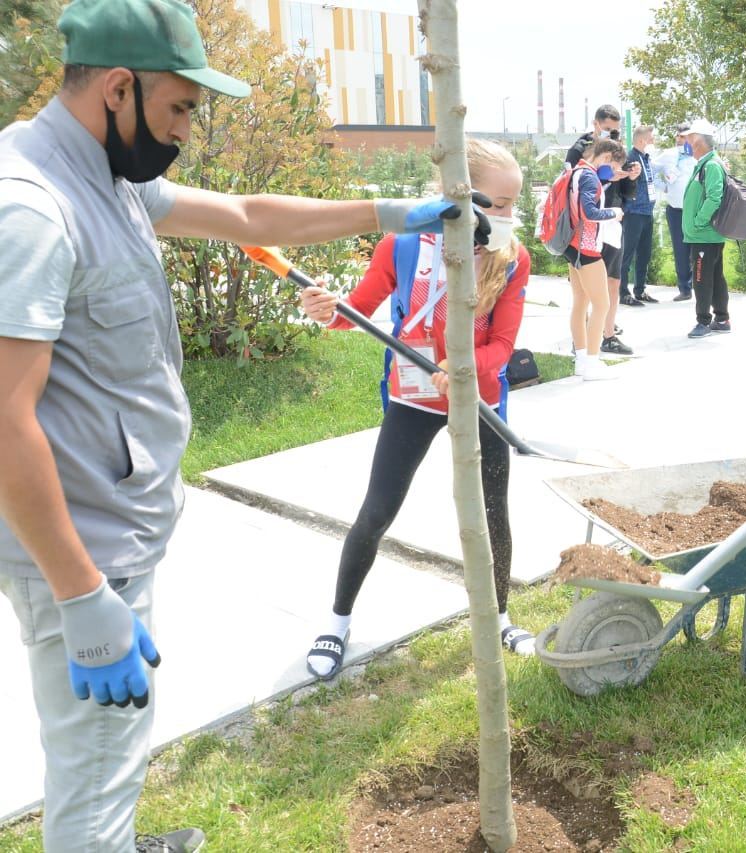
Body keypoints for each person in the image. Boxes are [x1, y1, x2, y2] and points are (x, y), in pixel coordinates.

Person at [0, 1, 490, 850]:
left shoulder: (105, 174)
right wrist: (82, 598)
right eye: (180, 108)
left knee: (108, 751)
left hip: (110, 530)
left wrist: (387, 212)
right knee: (95, 769)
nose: (187, 130)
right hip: (84, 555)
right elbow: (4, 420)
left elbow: (247, 218)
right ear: (119, 88)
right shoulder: (36, 208)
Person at [298, 139, 533, 682]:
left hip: (480, 400)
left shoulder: (511, 257)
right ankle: (337, 623)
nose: (505, 216)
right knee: (377, 510)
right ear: (457, 193)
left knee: (493, 510)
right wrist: (326, 309)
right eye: (494, 203)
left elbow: (502, 346)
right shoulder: (402, 244)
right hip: (413, 397)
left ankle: (499, 617)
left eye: (511, 204)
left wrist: (465, 366)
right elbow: (353, 315)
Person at [565, 104, 640, 348]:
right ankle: (584, 344)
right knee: (586, 296)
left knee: (614, 282)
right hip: (586, 228)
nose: (612, 135)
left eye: (616, 131)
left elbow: (628, 194)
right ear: (596, 124)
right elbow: (573, 187)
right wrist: (606, 177)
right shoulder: (580, 150)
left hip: (612, 224)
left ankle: (607, 336)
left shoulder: (617, 150)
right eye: (608, 129)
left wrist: (630, 177)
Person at [564, 138, 628, 379]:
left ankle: (582, 360)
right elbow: (589, 212)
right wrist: (614, 212)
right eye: (612, 166)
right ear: (606, 157)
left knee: (580, 302)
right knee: (602, 304)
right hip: (588, 248)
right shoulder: (590, 177)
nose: (612, 172)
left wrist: (607, 179)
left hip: (572, 246)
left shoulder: (577, 171)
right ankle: (592, 362)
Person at [683, 118, 731, 338]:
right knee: (716, 277)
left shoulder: (710, 165)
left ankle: (703, 321)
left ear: (699, 142)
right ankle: (722, 318)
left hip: (704, 235)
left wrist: (698, 222)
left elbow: (714, 197)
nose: (687, 143)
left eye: (690, 138)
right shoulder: (706, 163)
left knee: (702, 279)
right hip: (706, 235)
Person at [654, 121, 697, 301]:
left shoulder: (697, 154)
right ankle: (685, 288)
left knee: (698, 249)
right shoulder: (668, 155)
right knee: (680, 250)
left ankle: (700, 284)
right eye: (679, 135)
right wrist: (662, 186)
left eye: (685, 136)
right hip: (675, 209)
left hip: (695, 210)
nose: (681, 139)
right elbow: (651, 170)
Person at [618, 125, 657, 318]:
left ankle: (640, 289)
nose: (654, 138)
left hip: (647, 211)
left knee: (644, 253)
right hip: (633, 212)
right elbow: (626, 183)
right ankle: (623, 292)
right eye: (651, 136)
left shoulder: (646, 158)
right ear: (642, 139)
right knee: (627, 254)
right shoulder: (631, 158)